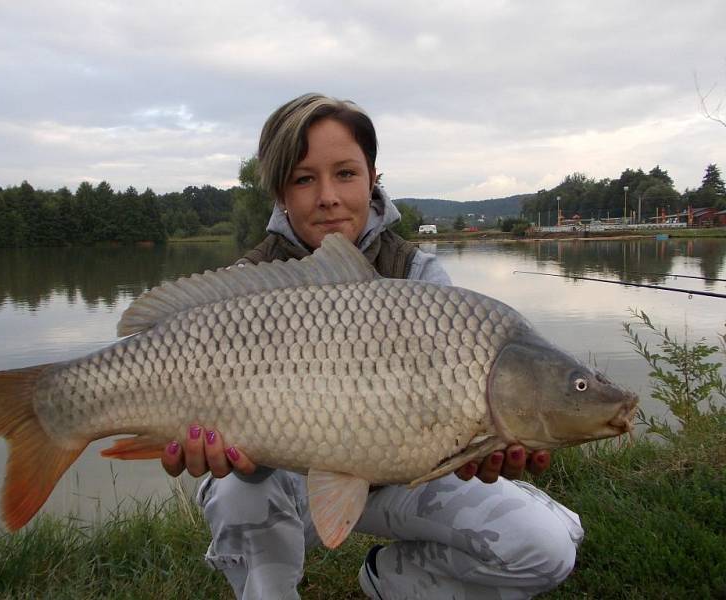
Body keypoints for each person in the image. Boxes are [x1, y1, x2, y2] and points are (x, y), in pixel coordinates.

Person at [161, 93, 583, 599]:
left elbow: (468, 418)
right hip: (285, 485)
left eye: (345, 173)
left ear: (372, 177)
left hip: (404, 478)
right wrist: (206, 448)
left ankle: (389, 581)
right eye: (303, 179)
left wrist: (490, 441)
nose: (328, 196)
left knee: (544, 546)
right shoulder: (247, 287)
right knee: (234, 489)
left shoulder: (420, 276)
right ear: (280, 193)